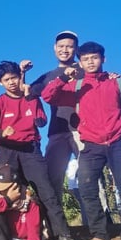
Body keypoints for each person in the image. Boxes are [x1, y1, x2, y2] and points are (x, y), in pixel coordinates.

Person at [42, 41, 121, 240]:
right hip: (91, 145)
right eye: (85, 59)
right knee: (86, 188)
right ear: (80, 62)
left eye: (94, 58)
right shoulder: (77, 86)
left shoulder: (117, 82)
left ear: (103, 59)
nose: (90, 62)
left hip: (118, 143)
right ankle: (99, 236)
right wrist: (64, 77)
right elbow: (48, 95)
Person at [0, 60, 76, 240]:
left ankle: (63, 237)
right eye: (6, 80)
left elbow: (42, 120)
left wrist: (34, 111)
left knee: (46, 192)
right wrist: (0, 132)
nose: (11, 83)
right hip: (7, 151)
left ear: (19, 76)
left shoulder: (31, 98)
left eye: (14, 78)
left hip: (30, 150)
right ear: (0, 83)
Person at [27, 30, 82, 205]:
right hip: (57, 132)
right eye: (61, 46)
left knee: (90, 176)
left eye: (69, 46)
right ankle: (56, 226)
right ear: (54, 48)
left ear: (76, 49)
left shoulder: (85, 70)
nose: (65, 50)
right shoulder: (47, 76)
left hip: (83, 130)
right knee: (52, 177)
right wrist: (22, 72)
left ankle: (99, 223)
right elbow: (26, 93)